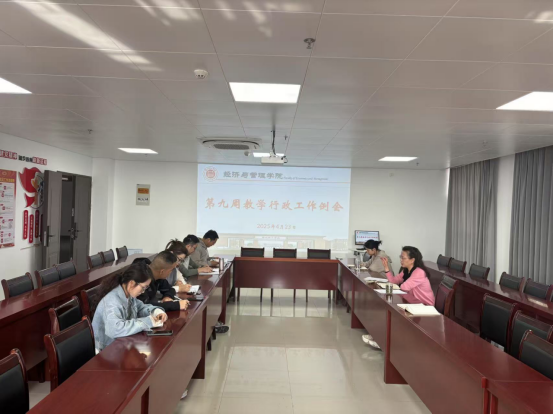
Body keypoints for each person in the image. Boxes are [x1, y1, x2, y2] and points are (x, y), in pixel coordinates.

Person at [364, 246, 435, 350]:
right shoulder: (406, 270)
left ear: (412, 260)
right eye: (400, 257)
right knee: (388, 311)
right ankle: (380, 336)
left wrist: (398, 285)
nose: (401, 260)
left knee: (395, 315)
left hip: (424, 305)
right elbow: (393, 281)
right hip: (412, 302)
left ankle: (383, 341)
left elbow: (404, 287)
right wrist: (386, 268)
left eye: (403, 258)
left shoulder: (419, 272)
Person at [92, 262, 168, 352]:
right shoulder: (111, 301)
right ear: (132, 283)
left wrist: (155, 311)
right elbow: (115, 330)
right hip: (107, 350)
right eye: (143, 287)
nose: (143, 291)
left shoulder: (128, 295)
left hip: (123, 343)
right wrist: (148, 321)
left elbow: (140, 308)